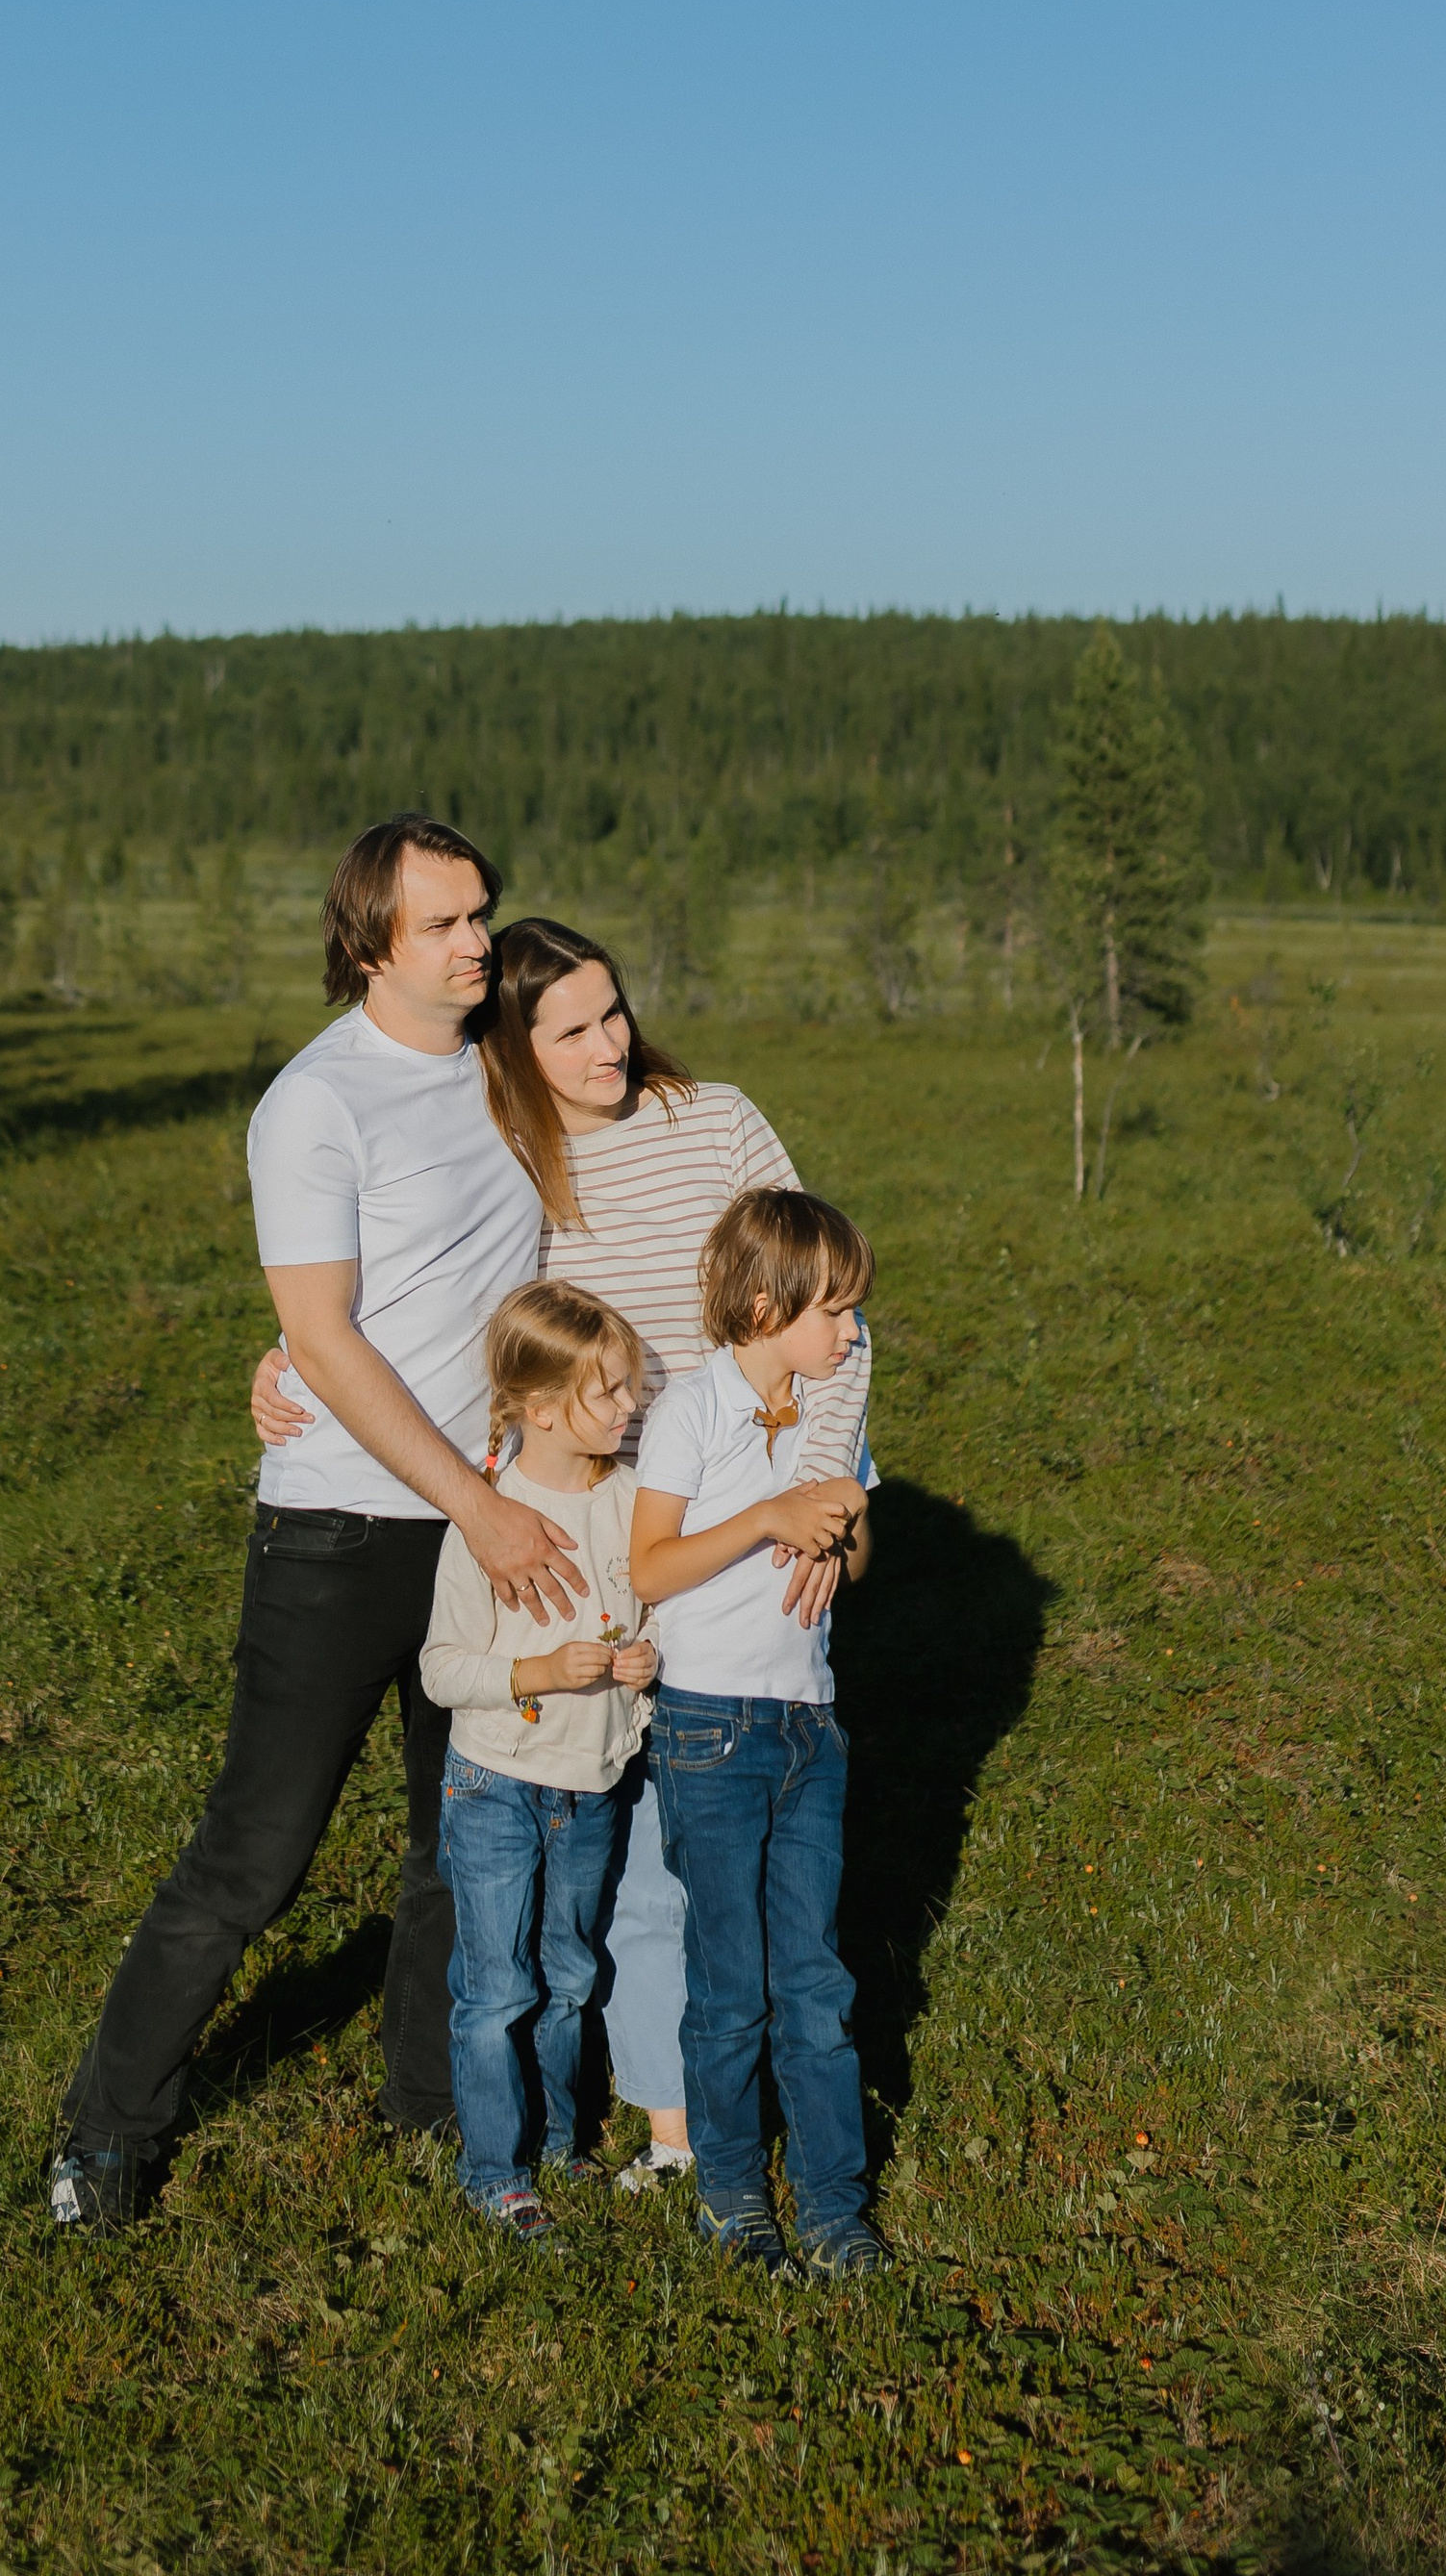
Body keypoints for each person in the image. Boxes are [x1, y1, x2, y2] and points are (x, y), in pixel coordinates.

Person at [263, 912, 873, 2189]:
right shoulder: (506, 1156)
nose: (612, 1047)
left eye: (616, 1012)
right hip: (606, 1524)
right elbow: (422, 1301)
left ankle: (726, 2092)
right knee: (624, 1835)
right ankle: (662, 2117)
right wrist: (291, 1355)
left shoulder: (718, 1123)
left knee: (725, 1829)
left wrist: (825, 1492)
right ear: (513, 1051)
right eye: (573, 1031)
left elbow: (832, 1318)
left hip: (750, 1514)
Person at [49, 816, 585, 2233]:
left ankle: (430, 2102)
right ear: (366, 944)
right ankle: (106, 2132)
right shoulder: (315, 1104)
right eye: (443, 924)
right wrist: (473, 1501)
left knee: (460, 1844)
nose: (477, 944)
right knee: (256, 1857)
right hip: (345, 1535)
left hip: (489, 1521)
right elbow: (328, 1337)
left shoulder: (505, 1064)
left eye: (482, 914)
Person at [630, 1186, 881, 2279]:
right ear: (766, 1306)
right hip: (707, 1731)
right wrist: (768, 1519)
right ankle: (732, 2193)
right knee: (729, 1985)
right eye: (835, 1310)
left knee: (815, 1984)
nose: (852, 1332)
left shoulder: (833, 1422)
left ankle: (834, 2203)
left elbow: (857, 1561)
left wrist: (842, 1527)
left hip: (807, 1727)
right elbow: (650, 1568)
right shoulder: (692, 1411)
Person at [419, 1280, 660, 2237]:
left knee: (569, 1975)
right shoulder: (488, 1517)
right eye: (611, 1391)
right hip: (496, 1784)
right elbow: (442, 1669)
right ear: (545, 1409)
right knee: (497, 1989)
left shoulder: (634, 1504)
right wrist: (539, 1672)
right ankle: (494, 2170)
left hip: (593, 1784)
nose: (632, 1404)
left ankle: (559, 2143)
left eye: (630, 1386)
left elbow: (654, 1612)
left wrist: (646, 1660)